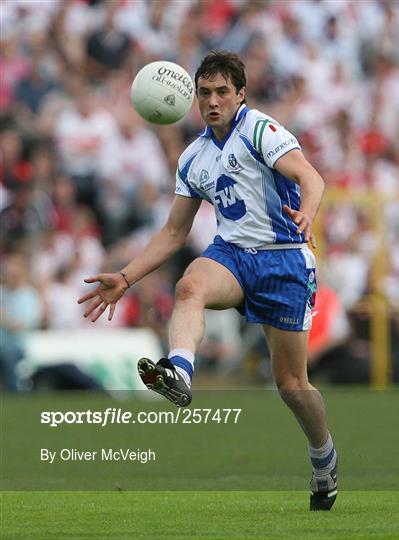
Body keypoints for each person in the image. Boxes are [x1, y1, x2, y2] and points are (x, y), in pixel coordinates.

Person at [78, 50, 337, 511]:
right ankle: (179, 371)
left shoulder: (260, 129)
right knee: (189, 287)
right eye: (204, 93)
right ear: (194, 98)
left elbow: (309, 176)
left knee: (292, 385)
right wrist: (125, 276)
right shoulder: (193, 157)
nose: (212, 101)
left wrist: (308, 212)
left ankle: (324, 458)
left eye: (222, 92)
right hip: (233, 255)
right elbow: (175, 231)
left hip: (285, 259)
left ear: (240, 94)